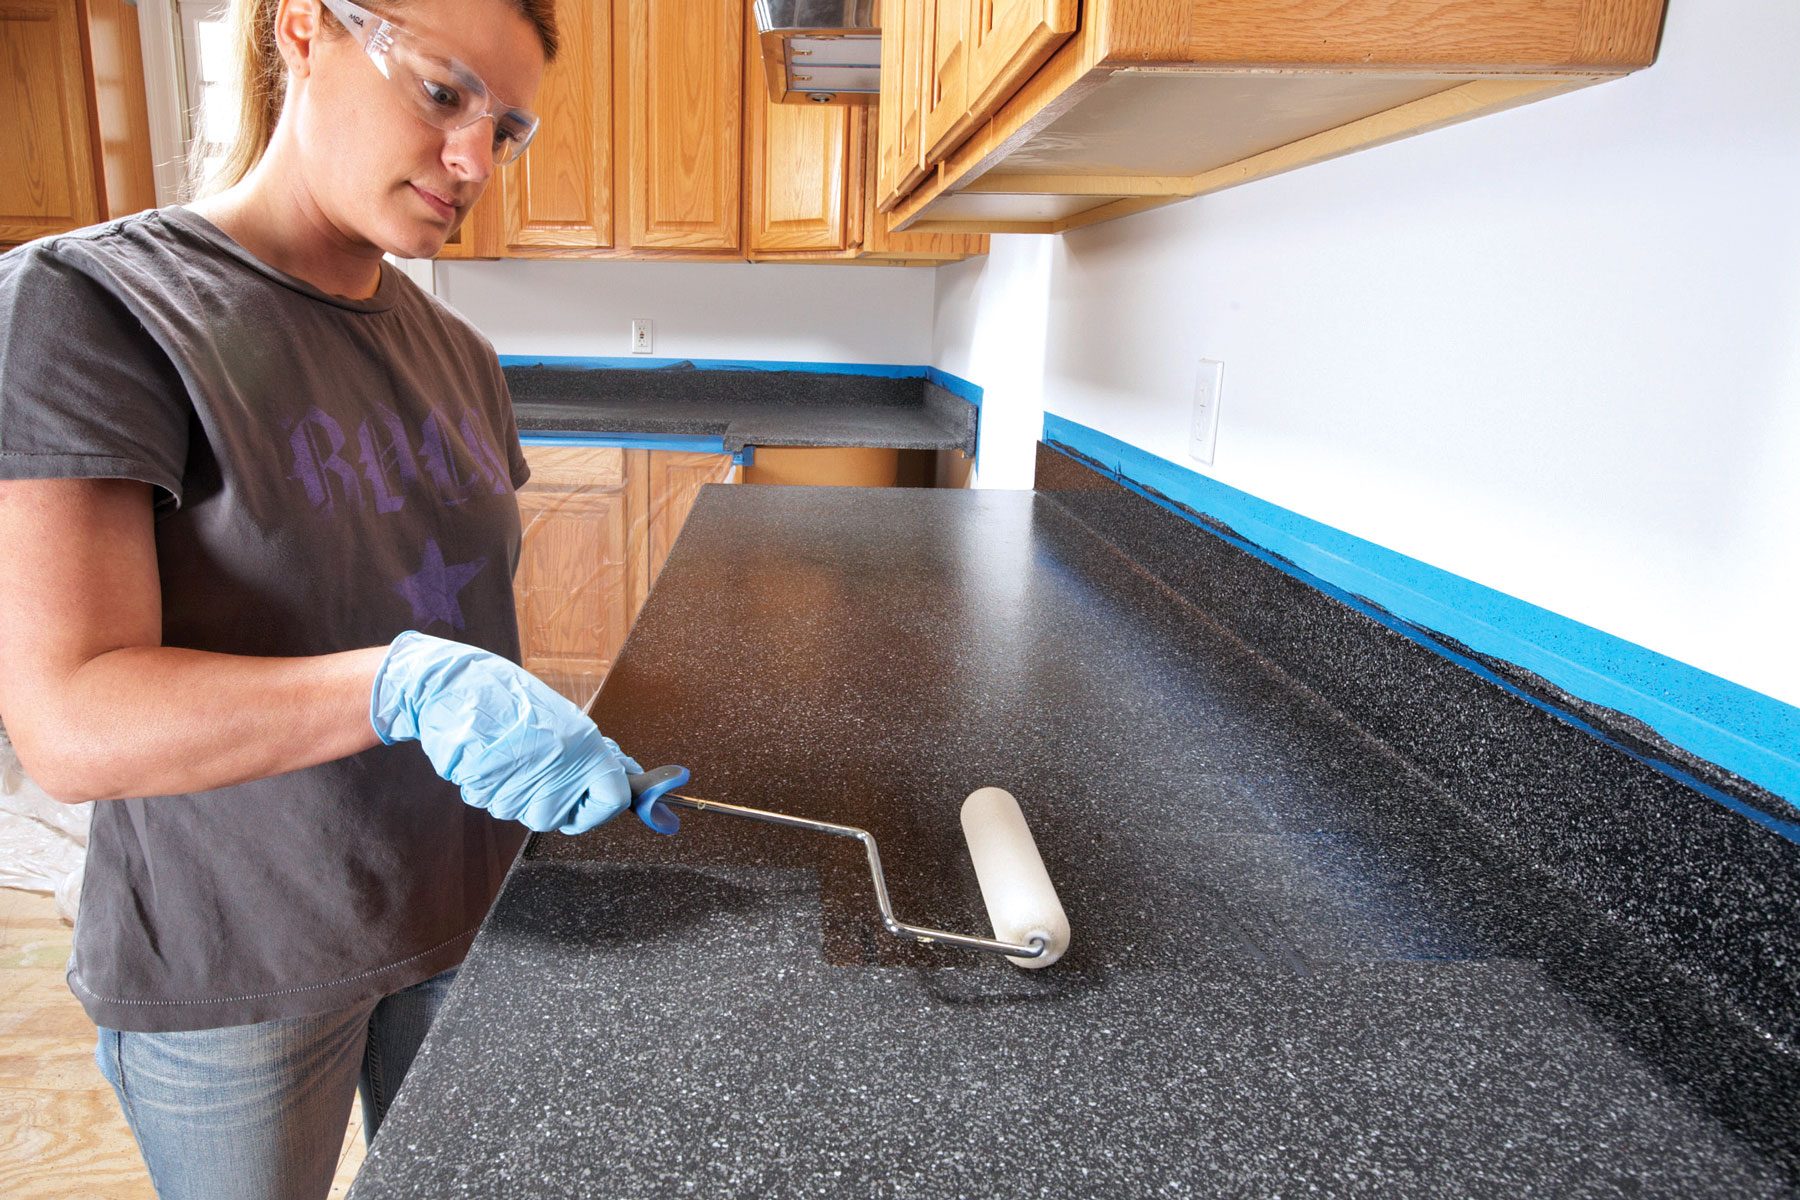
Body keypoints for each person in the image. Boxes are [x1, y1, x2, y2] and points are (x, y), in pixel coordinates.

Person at [0, 1, 659, 1196]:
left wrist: (538, 735)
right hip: (236, 960)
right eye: (445, 95)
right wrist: (410, 682)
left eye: (506, 128)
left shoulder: (455, 354)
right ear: (305, 27)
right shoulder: (91, 306)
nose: (474, 161)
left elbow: (438, 598)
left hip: (467, 916)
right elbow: (70, 721)